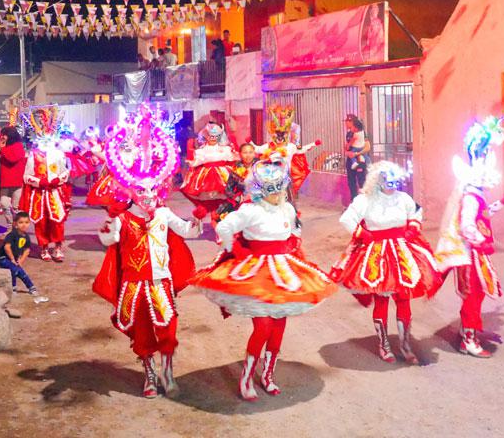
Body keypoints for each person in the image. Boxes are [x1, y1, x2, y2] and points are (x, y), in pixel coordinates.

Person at [190, 161, 337, 401]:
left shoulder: (287, 209)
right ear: (259, 189)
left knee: (278, 326)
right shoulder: (250, 210)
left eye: (280, 188)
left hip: (282, 271)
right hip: (256, 272)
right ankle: (247, 376)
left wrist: (291, 247)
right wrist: (235, 249)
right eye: (272, 189)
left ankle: (268, 375)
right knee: (263, 327)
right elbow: (225, 227)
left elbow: (295, 232)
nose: (277, 194)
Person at [92, 106, 203, 399]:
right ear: (133, 193)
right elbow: (109, 240)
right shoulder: (123, 218)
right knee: (142, 332)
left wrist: (199, 220)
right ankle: (149, 374)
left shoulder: (164, 215)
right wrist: (105, 231)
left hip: (161, 281)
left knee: (167, 329)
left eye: (154, 191)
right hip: (134, 284)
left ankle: (167, 370)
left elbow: (188, 232)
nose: (150, 197)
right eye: (143, 192)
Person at [331, 161, 441, 364]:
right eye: (387, 181)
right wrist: (363, 235)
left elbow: (417, 211)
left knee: (403, 299)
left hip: (402, 252)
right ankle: (384, 345)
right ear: (378, 180)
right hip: (377, 254)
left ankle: (405, 345)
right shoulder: (366, 199)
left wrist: (413, 228)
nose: (392, 185)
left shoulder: (404, 198)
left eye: (395, 181)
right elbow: (347, 219)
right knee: (382, 299)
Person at [435, 116, 504, 358]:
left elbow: (484, 214)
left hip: (474, 254)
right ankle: (468, 340)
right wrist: (481, 240)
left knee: (475, 295)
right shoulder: (470, 195)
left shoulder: (476, 194)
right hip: (468, 255)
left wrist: (503, 202)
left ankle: (467, 333)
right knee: (473, 295)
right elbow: (467, 225)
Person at [19, 107, 71, 262]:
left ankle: (58, 247)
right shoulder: (33, 156)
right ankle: (44, 248)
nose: (47, 141)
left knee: (57, 221)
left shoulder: (59, 154)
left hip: (55, 193)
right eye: (44, 138)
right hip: (39, 195)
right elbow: (26, 176)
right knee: (41, 222)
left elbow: (65, 172)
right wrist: (38, 182)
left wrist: (58, 180)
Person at [254, 105, 320, 200]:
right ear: (273, 135)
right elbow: (257, 149)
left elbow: (302, 149)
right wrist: (249, 143)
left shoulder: (290, 147)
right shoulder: (269, 146)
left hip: (285, 178)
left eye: (282, 135)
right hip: (271, 178)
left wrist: (313, 144)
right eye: (277, 135)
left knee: (288, 199)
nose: (280, 138)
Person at [179, 121, 236, 221]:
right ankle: (211, 217)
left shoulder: (225, 149)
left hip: (223, 175)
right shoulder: (201, 151)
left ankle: (220, 218)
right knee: (209, 199)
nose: (213, 138)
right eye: (210, 136)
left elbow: (232, 159)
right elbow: (195, 163)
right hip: (206, 177)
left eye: (215, 136)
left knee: (223, 198)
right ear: (206, 136)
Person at [0, 212, 47, 302]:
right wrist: (12, 259)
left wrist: (21, 261)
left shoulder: (26, 236)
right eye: (21, 222)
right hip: (2, 257)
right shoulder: (12, 235)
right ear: (15, 224)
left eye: (26, 222)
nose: (24, 225)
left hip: (14, 259)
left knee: (21, 271)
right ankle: (13, 288)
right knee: (14, 269)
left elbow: (27, 250)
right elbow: (7, 247)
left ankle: (31, 287)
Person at [213, 142, 256, 222]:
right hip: (242, 201)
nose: (248, 155)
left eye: (250, 152)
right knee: (221, 218)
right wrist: (238, 198)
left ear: (254, 153)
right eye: (245, 152)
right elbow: (228, 189)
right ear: (240, 154)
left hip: (259, 200)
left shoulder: (260, 166)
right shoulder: (236, 169)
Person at [0, 126, 26, 221]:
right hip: (5, 181)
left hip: (16, 181)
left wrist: (2, 149)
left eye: (4, 135)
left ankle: (15, 227)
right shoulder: (5, 146)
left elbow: (12, 159)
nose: (3, 137)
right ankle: (10, 226)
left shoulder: (18, 146)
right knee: (4, 203)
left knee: (15, 206)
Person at [344, 114, 371, 200]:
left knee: (361, 182)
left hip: (360, 160)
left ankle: (364, 203)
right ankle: (354, 203)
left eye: (348, 121)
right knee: (351, 182)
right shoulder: (349, 133)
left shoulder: (361, 133)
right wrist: (347, 152)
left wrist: (356, 154)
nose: (346, 123)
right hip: (350, 160)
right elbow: (347, 147)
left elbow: (367, 147)